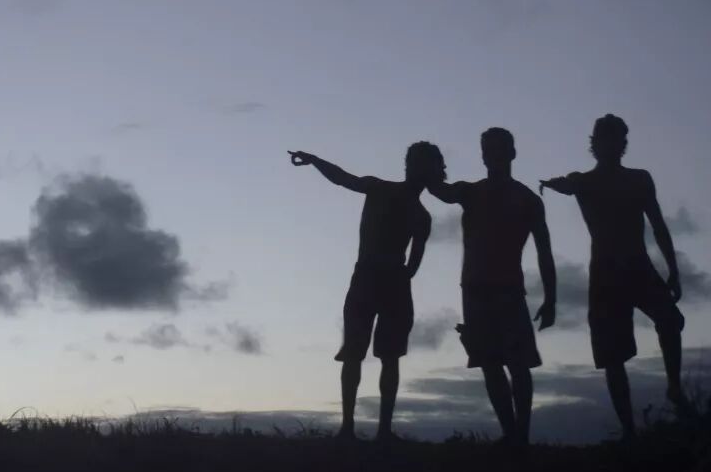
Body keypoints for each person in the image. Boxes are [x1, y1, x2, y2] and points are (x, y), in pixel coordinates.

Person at [540, 114, 686, 440]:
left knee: (670, 321)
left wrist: (673, 269)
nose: (611, 145)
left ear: (622, 144)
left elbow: (658, 225)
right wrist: (553, 184)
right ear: (596, 144)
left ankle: (674, 388)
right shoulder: (584, 181)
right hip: (606, 272)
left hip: (637, 265)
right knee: (612, 355)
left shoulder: (638, 179)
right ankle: (629, 431)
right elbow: (568, 185)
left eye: (617, 139)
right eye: (606, 138)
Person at [289, 142, 446, 441]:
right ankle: (354, 428)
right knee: (363, 354)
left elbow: (414, 263)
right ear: (416, 167)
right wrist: (315, 159)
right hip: (376, 279)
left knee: (382, 356)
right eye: (430, 165)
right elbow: (342, 178)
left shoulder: (413, 210)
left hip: (381, 280)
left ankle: (370, 429)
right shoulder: (390, 195)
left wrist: (314, 159)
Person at [428, 127, 556, 446]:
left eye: (499, 149)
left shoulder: (527, 199)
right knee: (489, 363)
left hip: (508, 289)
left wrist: (552, 298)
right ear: (483, 155)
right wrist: (430, 166)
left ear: (511, 153)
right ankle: (511, 434)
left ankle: (520, 435)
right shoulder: (470, 191)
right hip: (474, 289)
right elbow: (440, 190)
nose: (493, 155)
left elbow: (544, 250)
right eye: (488, 149)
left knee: (517, 364)